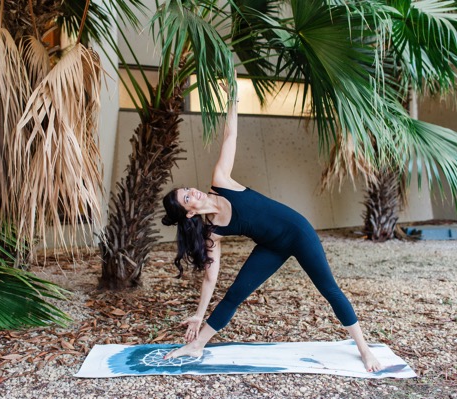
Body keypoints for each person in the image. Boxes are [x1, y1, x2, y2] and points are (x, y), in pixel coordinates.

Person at [160, 76, 382, 372]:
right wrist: (199, 315)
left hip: (298, 232)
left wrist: (233, 99)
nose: (193, 191)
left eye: (188, 189)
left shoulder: (221, 182)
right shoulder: (212, 231)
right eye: (187, 197)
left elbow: (230, 137)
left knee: (329, 289)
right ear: (189, 213)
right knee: (235, 293)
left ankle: (364, 350)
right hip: (271, 246)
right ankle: (197, 345)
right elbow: (210, 279)